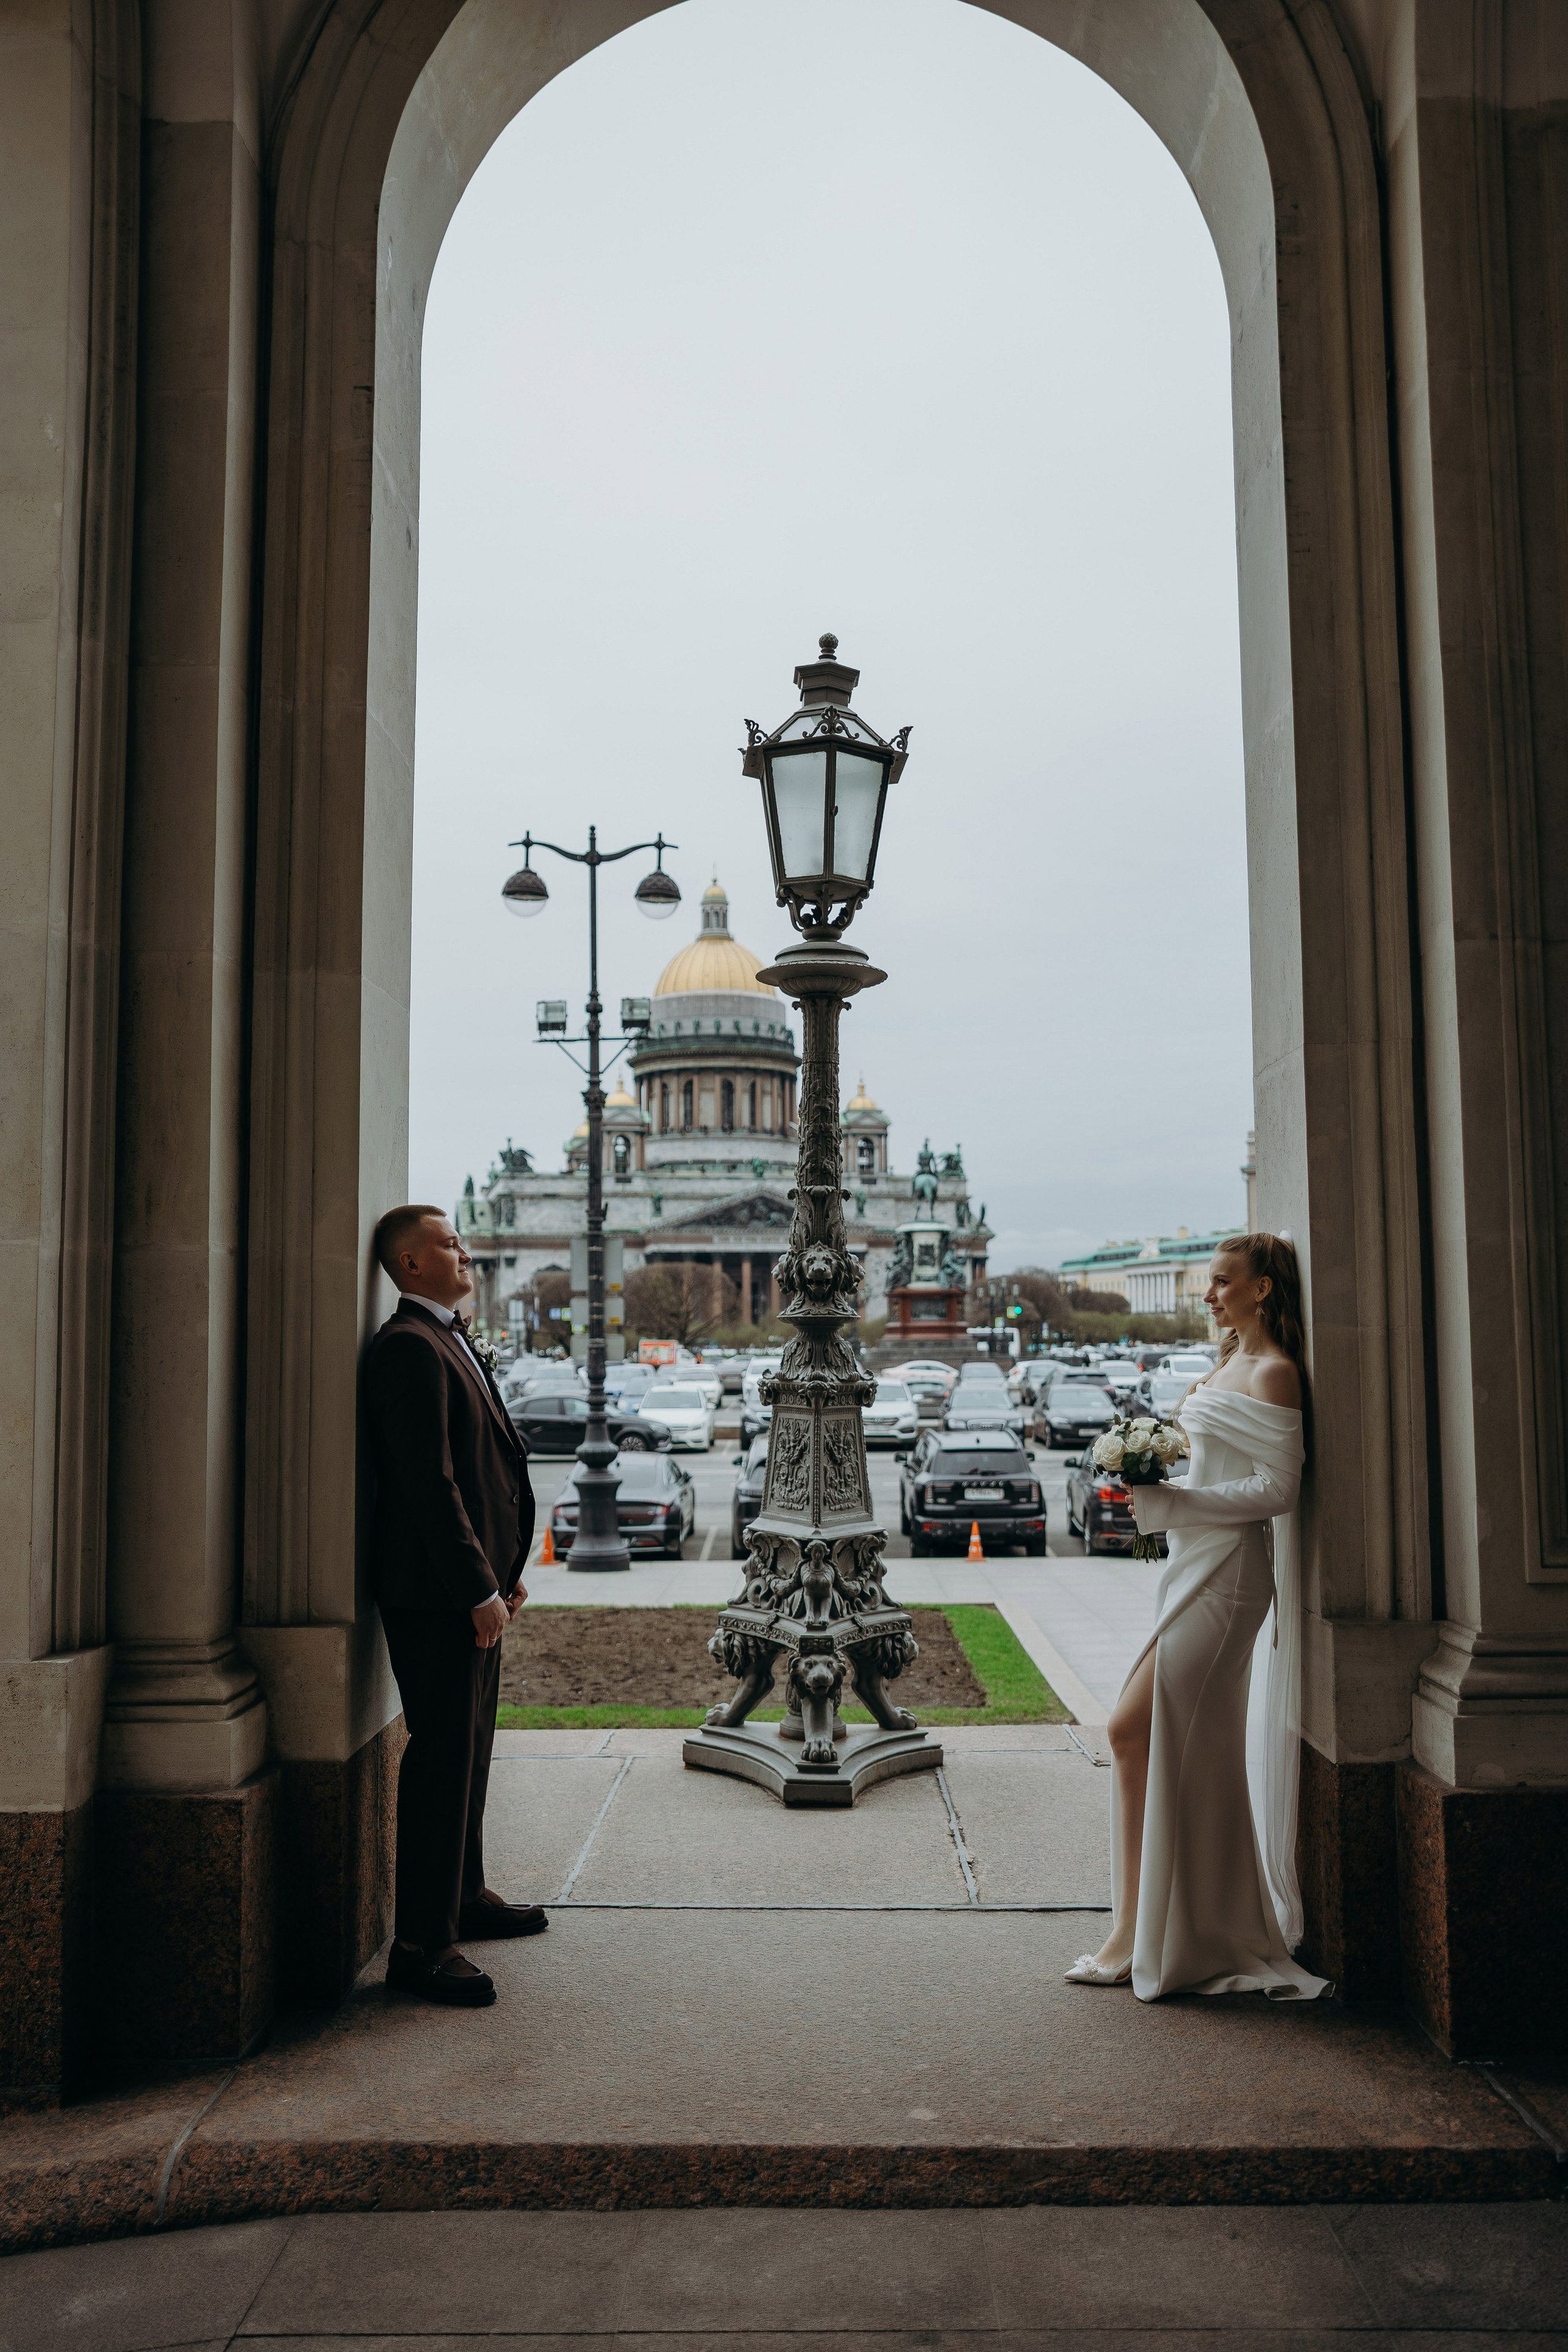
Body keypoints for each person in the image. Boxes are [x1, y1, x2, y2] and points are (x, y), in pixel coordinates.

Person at [1066, 1231, 1330, 2002]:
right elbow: (1217, 1467)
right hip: (1189, 1566)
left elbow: (1277, 1492)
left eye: (1221, 1283)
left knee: (1144, 1736)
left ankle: (1173, 1936)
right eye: (1210, 1284)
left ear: (1262, 1290)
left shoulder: (1276, 1372)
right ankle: (1143, 1927)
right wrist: (1150, 1480)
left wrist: (1172, 1501)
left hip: (1229, 1576)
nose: (1208, 1295)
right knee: (1137, 1738)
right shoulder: (1226, 1364)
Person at [365, 1204, 543, 2008]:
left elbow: (482, 1465)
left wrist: (501, 1577)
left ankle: (463, 1898)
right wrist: (476, 1588)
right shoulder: (407, 1348)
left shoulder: (444, 1336)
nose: (466, 1251)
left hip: (472, 1595)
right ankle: (420, 1947)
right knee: (441, 1761)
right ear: (409, 1264)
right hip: (439, 1599)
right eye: (447, 1243)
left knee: (470, 1753)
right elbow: (427, 1486)